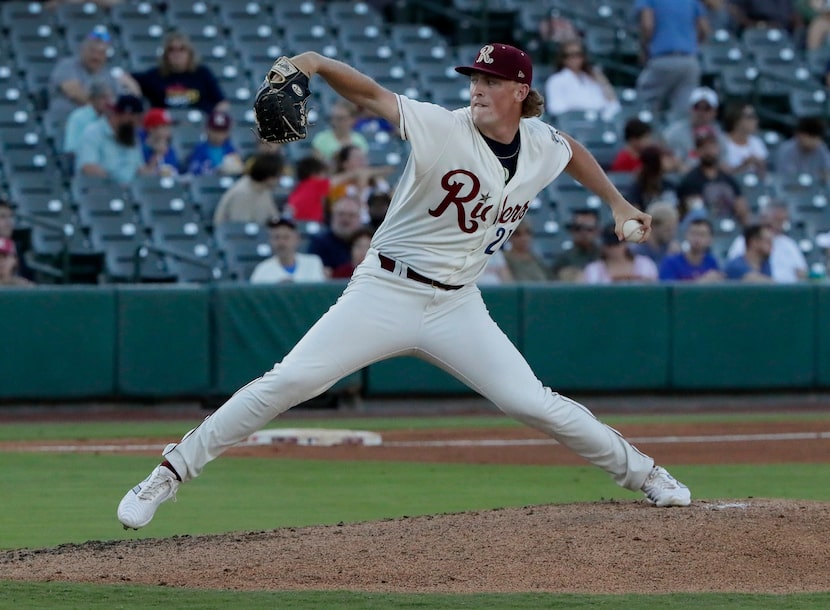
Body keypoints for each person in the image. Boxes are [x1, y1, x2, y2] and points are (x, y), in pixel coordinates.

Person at [117, 43, 690, 532]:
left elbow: (573, 153)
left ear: (520, 90)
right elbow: (369, 94)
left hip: (458, 305)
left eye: (490, 80)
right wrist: (312, 62)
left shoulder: (540, 142)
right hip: (384, 290)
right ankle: (167, 475)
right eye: (475, 79)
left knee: (531, 402)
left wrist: (616, 202)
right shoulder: (443, 127)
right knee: (290, 381)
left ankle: (647, 474)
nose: (478, 88)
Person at [47, 27, 138, 129]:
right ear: (82, 49)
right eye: (92, 51)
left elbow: (121, 101)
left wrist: (133, 88)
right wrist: (102, 109)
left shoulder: (109, 74)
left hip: (100, 126)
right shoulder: (67, 65)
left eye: (101, 53)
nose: (96, 57)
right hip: (67, 122)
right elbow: (74, 92)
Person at [634, 0, 709, 125]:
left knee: (644, 104)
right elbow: (704, 29)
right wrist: (691, 45)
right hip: (689, 61)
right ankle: (675, 142)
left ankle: (647, 138)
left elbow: (647, 25)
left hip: (663, 59)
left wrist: (644, 48)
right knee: (681, 115)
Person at [131, 32, 229, 114]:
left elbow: (222, 103)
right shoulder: (156, 75)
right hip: (165, 129)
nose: (176, 53)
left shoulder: (202, 73)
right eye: (171, 49)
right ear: (166, 54)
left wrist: (213, 119)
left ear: (189, 53)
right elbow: (125, 77)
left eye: (181, 49)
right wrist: (136, 95)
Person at [675, 128, 750, 225]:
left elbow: (742, 207)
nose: (708, 151)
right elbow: (695, 214)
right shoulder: (690, 180)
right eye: (703, 147)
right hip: (704, 231)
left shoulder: (728, 179)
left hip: (730, 227)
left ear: (718, 148)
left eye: (712, 145)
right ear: (697, 151)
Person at [75, 93, 154, 185]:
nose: (138, 125)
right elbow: (88, 167)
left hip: (131, 192)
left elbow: (140, 168)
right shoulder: (93, 133)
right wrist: (115, 185)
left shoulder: (132, 136)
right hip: (101, 190)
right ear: (125, 115)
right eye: (137, 119)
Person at [726, 200, 807, 282]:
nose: (780, 224)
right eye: (777, 219)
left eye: (783, 220)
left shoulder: (788, 244)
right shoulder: (742, 242)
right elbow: (745, 275)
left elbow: (802, 272)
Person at [543, 38, 620, 120]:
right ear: (562, 58)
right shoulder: (555, 80)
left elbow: (611, 105)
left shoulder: (591, 78)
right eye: (569, 55)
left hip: (597, 122)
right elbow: (555, 109)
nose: (574, 59)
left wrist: (603, 81)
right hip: (572, 124)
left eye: (578, 54)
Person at [661, 87, 723, 172]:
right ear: (690, 109)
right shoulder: (673, 133)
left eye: (707, 108)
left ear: (715, 112)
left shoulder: (719, 134)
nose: (701, 112)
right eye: (697, 107)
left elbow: (723, 163)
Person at [212, 152, 283, 226]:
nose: (279, 180)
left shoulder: (264, 191)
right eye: (278, 176)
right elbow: (239, 227)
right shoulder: (242, 192)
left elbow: (274, 218)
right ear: (268, 175)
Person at [249, 217, 326, 284]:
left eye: (286, 237)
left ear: (297, 239)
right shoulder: (262, 270)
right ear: (270, 241)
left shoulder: (313, 263)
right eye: (276, 237)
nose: (281, 242)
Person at [306, 195, 366, 275]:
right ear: (332, 216)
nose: (346, 219)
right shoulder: (319, 242)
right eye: (341, 214)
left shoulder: (369, 240)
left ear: (359, 218)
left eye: (351, 215)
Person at [582, 223, 659, 283]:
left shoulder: (645, 264)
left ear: (625, 243)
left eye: (617, 244)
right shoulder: (593, 270)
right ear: (603, 246)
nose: (614, 249)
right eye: (610, 244)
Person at [658, 216, 724, 281]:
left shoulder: (712, 262)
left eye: (702, 235)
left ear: (710, 239)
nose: (697, 239)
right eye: (693, 233)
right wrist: (702, 282)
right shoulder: (671, 263)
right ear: (686, 235)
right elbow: (669, 290)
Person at [62, 80, 114, 162]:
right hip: (85, 162)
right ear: (93, 99)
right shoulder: (78, 117)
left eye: (110, 97)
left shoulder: (112, 117)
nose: (108, 102)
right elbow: (71, 148)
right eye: (103, 97)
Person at [772, 116, 830, 186]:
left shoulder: (821, 148)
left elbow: (827, 174)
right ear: (799, 135)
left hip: (815, 189)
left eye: (817, 138)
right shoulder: (786, 150)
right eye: (811, 137)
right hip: (790, 191)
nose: (815, 142)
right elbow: (785, 179)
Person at [185, 109, 243, 177]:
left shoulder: (232, 150)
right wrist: (217, 171)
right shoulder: (198, 150)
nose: (219, 135)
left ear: (228, 132)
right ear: (207, 129)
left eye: (222, 131)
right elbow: (194, 174)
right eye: (215, 130)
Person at [551, 208, 602, 281]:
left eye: (589, 229)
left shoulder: (605, 256)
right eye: (578, 228)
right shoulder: (563, 260)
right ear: (572, 230)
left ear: (597, 231)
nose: (583, 233)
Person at [720, 103, 768, 178]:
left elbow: (764, 176)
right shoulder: (722, 142)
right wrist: (743, 165)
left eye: (755, 116)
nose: (755, 120)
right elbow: (721, 173)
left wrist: (759, 164)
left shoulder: (757, 142)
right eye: (750, 117)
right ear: (736, 120)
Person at [625, 145, 677, 210]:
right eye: (663, 158)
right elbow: (635, 214)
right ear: (655, 162)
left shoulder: (669, 185)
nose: (669, 160)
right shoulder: (637, 189)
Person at [632, 200, 682, 266]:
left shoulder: (671, 248)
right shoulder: (637, 250)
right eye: (667, 229)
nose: (672, 233)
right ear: (653, 226)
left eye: (673, 229)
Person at [286, 156, 330, 223]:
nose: (325, 177)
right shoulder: (317, 184)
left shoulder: (296, 190)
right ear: (313, 174)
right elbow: (336, 181)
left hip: (296, 224)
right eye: (323, 173)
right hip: (313, 224)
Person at [140, 108, 181, 177]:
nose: (168, 131)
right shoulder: (140, 149)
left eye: (169, 126)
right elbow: (143, 179)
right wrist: (157, 154)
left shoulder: (170, 150)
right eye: (164, 126)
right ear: (151, 129)